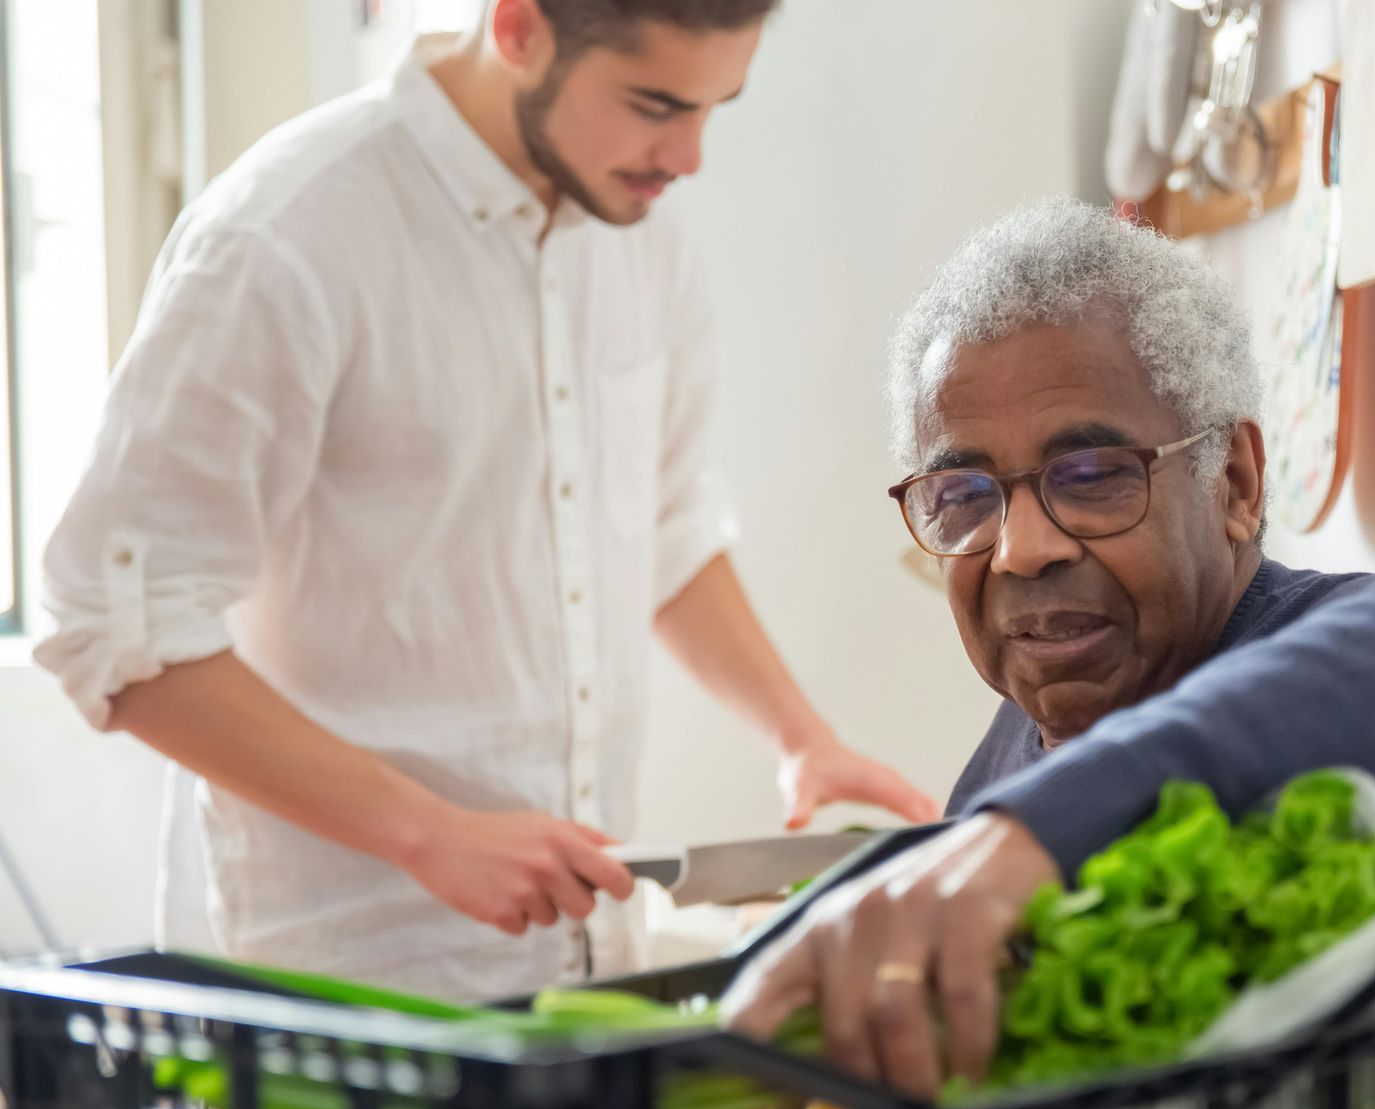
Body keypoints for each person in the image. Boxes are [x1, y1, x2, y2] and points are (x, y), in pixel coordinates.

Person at [34, 0, 936, 1001]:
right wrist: (432, 833)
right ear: (518, 29)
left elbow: (665, 523)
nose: (687, 157)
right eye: (653, 104)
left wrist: (800, 738)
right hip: (340, 985)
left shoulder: (641, 229)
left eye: (714, 108)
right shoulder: (283, 235)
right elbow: (115, 628)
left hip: (590, 963)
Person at [724, 198, 1375, 1097]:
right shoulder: (1016, 745)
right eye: (964, 496)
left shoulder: (1331, 673)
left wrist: (1048, 828)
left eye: (1092, 477)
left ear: (1234, 482)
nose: (1021, 548)